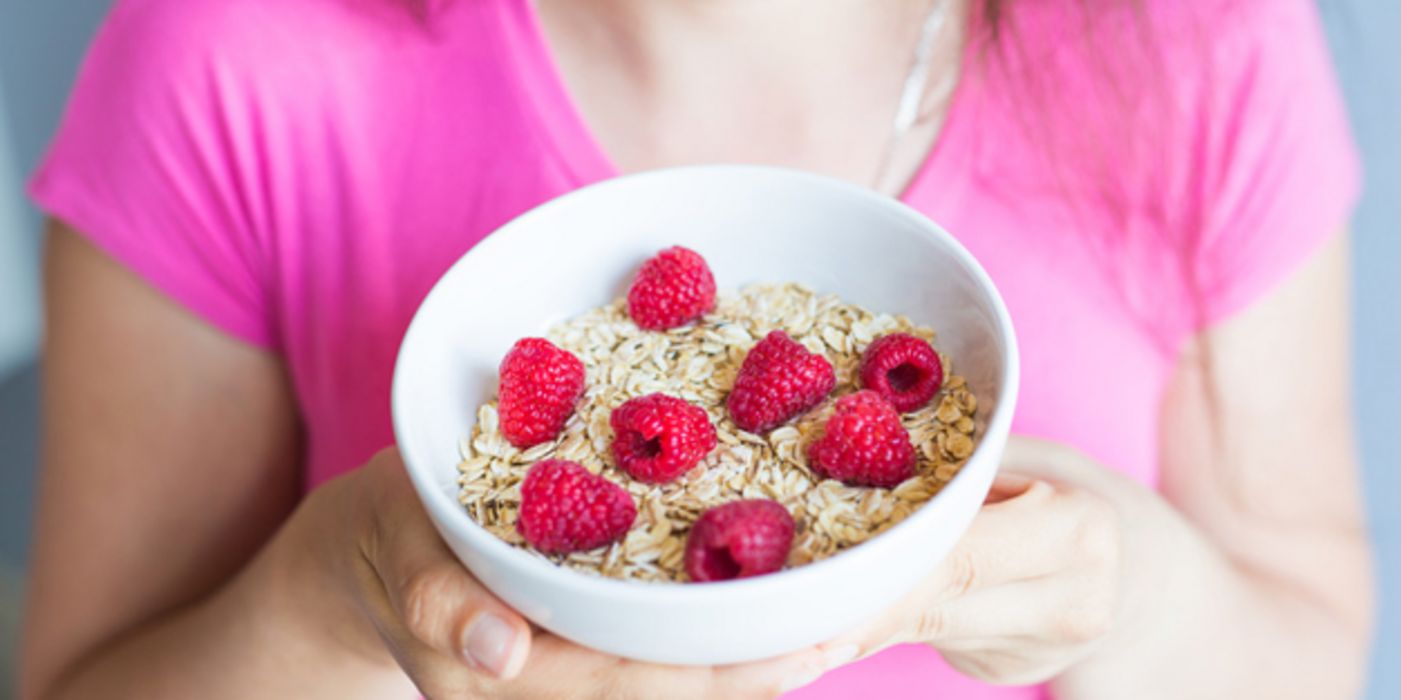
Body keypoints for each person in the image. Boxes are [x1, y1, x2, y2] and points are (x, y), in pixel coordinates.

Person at [19, 0, 1375, 698]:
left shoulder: (1190, 43)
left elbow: (1314, 644)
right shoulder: (226, 63)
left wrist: (1126, 591)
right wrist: (335, 593)